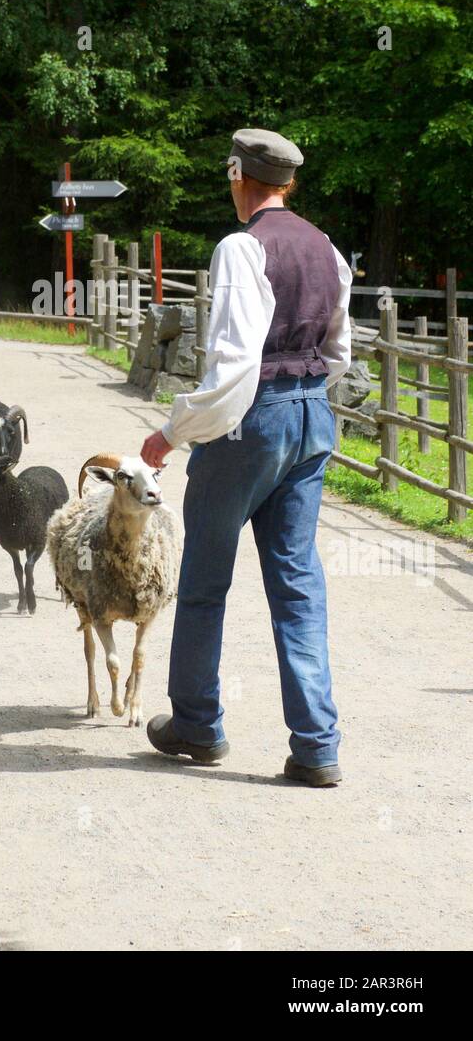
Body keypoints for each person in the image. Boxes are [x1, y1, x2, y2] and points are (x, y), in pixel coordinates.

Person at [141, 129, 352, 788]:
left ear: (237, 176)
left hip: (249, 424)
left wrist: (173, 432)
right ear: (285, 184)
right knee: (296, 584)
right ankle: (316, 746)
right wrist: (303, 400)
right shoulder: (326, 249)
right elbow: (339, 349)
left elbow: (233, 365)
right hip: (312, 416)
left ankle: (197, 726)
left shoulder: (240, 247)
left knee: (205, 580)